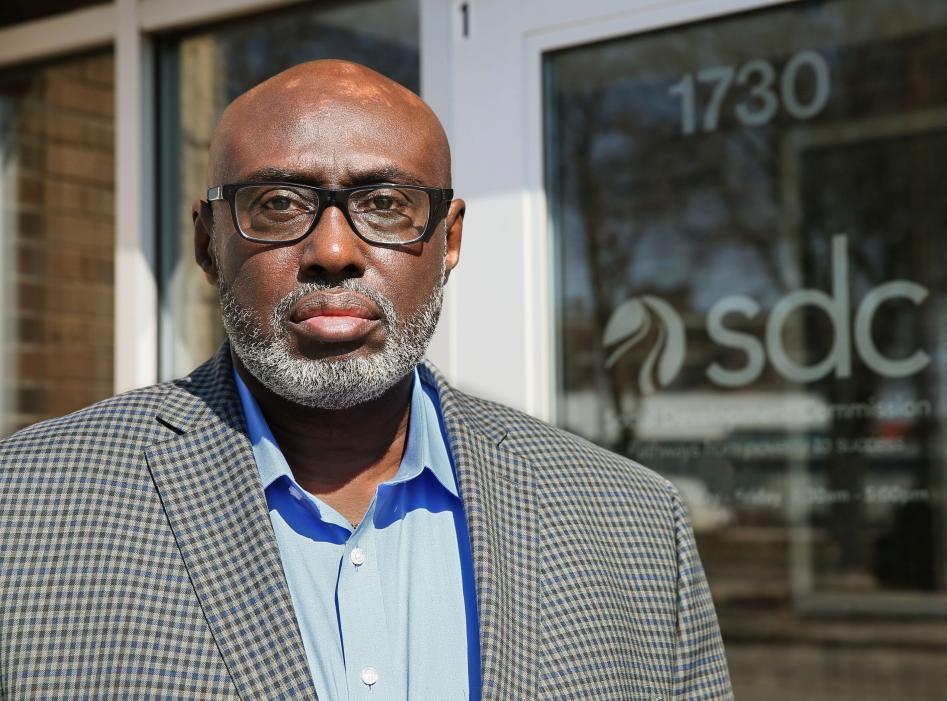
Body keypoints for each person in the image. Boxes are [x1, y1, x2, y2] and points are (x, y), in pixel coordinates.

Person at [0, 60, 732, 700]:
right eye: (279, 203)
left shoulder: (632, 524)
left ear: (448, 240)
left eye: (384, 203)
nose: (332, 249)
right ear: (207, 241)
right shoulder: (26, 507)